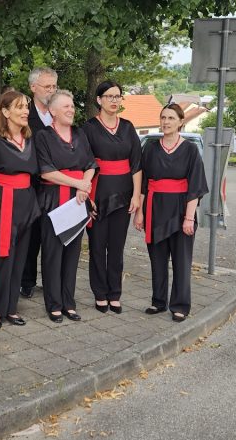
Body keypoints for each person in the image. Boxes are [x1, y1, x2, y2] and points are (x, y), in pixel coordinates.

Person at [134, 104, 208, 323]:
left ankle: (180, 305)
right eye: (163, 117)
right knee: (157, 259)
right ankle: (158, 301)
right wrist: (139, 213)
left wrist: (189, 218)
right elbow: (144, 184)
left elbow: (195, 186)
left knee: (181, 261)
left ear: (181, 122)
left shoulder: (190, 150)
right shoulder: (150, 148)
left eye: (171, 118)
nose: (166, 122)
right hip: (154, 209)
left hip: (181, 210)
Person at [34, 90, 96, 323]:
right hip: (53, 201)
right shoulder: (43, 136)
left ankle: (69, 303)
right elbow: (46, 171)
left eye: (72, 106)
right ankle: (54, 305)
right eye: (66, 106)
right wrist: (78, 183)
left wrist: (84, 186)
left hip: (77, 200)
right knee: (53, 254)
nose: (71, 110)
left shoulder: (80, 134)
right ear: (53, 111)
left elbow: (91, 164)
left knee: (72, 254)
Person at [0, 91, 40, 329]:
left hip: (26, 202)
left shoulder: (30, 140)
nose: (25, 111)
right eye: (19, 107)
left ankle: (11, 308)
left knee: (20, 258)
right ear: (5, 112)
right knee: (4, 257)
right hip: (3, 200)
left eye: (26, 106)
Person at [82, 81, 142, 314]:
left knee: (117, 247)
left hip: (124, 193)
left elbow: (136, 164)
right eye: (109, 96)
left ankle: (115, 293)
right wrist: (87, 196)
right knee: (97, 246)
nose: (114, 100)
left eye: (118, 96)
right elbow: (84, 163)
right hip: (98, 192)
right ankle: (100, 293)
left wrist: (136, 196)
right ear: (99, 100)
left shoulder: (128, 127)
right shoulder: (88, 128)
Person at [21, 67, 59, 299]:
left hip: (57, 184)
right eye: (47, 86)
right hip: (33, 183)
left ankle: (51, 280)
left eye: (54, 86)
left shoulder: (59, 113)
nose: (51, 91)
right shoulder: (24, 115)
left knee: (53, 235)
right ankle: (27, 281)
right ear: (33, 87)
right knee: (31, 234)